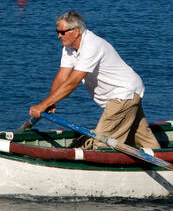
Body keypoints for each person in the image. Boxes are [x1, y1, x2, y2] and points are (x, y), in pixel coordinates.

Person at [29, 11, 158, 151]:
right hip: (126, 94)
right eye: (57, 32)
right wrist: (50, 101)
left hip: (123, 94)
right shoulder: (68, 48)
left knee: (102, 144)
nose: (59, 36)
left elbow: (73, 82)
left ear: (76, 31)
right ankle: (163, 159)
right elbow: (62, 76)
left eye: (62, 32)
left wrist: (42, 105)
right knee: (144, 140)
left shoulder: (91, 46)